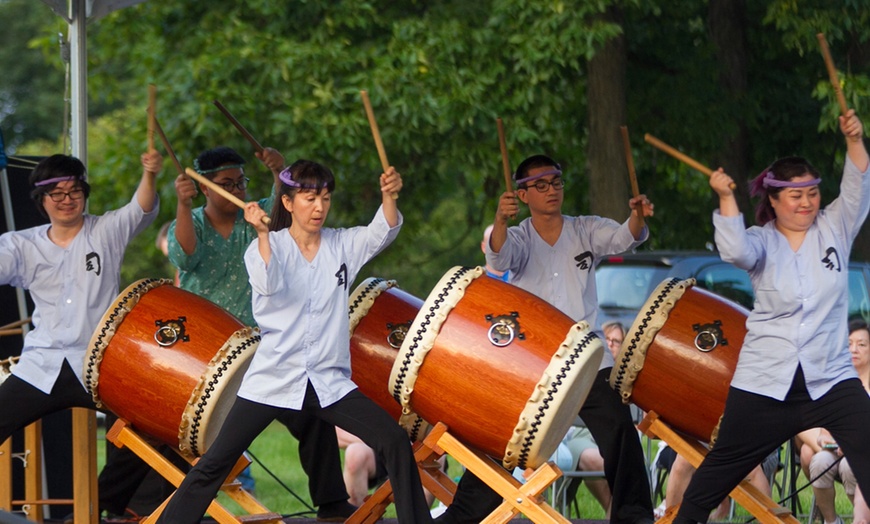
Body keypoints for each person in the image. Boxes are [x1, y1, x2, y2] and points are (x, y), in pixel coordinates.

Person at [156, 159, 432, 523]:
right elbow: (269, 285)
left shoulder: (342, 245)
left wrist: (389, 195)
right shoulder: (264, 248)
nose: (319, 207)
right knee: (215, 464)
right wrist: (263, 234)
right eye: (309, 199)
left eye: (325, 198)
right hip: (273, 379)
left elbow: (383, 231)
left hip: (328, 381)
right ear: (287, 203)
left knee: (394, 441)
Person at [672, 109, 870, 524]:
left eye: (812, 193)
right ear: (774, 200)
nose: (806, 203)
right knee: (720, 468)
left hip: (831, 377)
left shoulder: (835, 228)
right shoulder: (762, 242)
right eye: (795, 196)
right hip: (766, 380)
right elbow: (735, 251)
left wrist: (854, 140)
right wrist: (727, 198)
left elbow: (856, 189)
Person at [436, 154, 655, 524]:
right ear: (522, 195)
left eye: (555, 182)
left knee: (619, 430)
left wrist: (636, 216)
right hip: (532, 361)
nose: (551, 190)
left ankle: (634, 517)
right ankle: (463, 515)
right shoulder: (519, 237)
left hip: (587, 357)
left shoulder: (584, 228)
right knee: (501, 440)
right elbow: (501, 257)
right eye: (540, 185)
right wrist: (501, 221)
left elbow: (623, 238)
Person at [167, 145, 352, 513]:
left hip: (262, 351)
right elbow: (183, 254)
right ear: (206, 187)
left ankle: (332, 503)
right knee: (171, 429)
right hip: (205, 353)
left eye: (240, 182)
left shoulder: (254, 221)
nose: (236, 190)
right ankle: (136, 506)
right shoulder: (194, 223)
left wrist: (278, 171)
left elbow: (286, 209)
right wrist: (184, 206)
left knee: (311, 415)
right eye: (226, 184)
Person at [0, 152, 161, 517]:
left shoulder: (105, 231)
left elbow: (141, 208)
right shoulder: (21, 244)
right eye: (55, 193)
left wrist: (149, 175)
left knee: (151, 426)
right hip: (42, 366)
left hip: (102, 363)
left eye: (74, 190)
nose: (66, 199)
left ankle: (101, 507)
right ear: (41, 201)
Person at [797, 318, 870, 524]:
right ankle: (831, 520)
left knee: (850, 466)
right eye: (849, 344)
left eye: (862, 344)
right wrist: (824, 439)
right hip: (831, 448)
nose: (854, 349)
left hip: (863, 452)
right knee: (819, 462)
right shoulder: (834, 380)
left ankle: (862, 518)